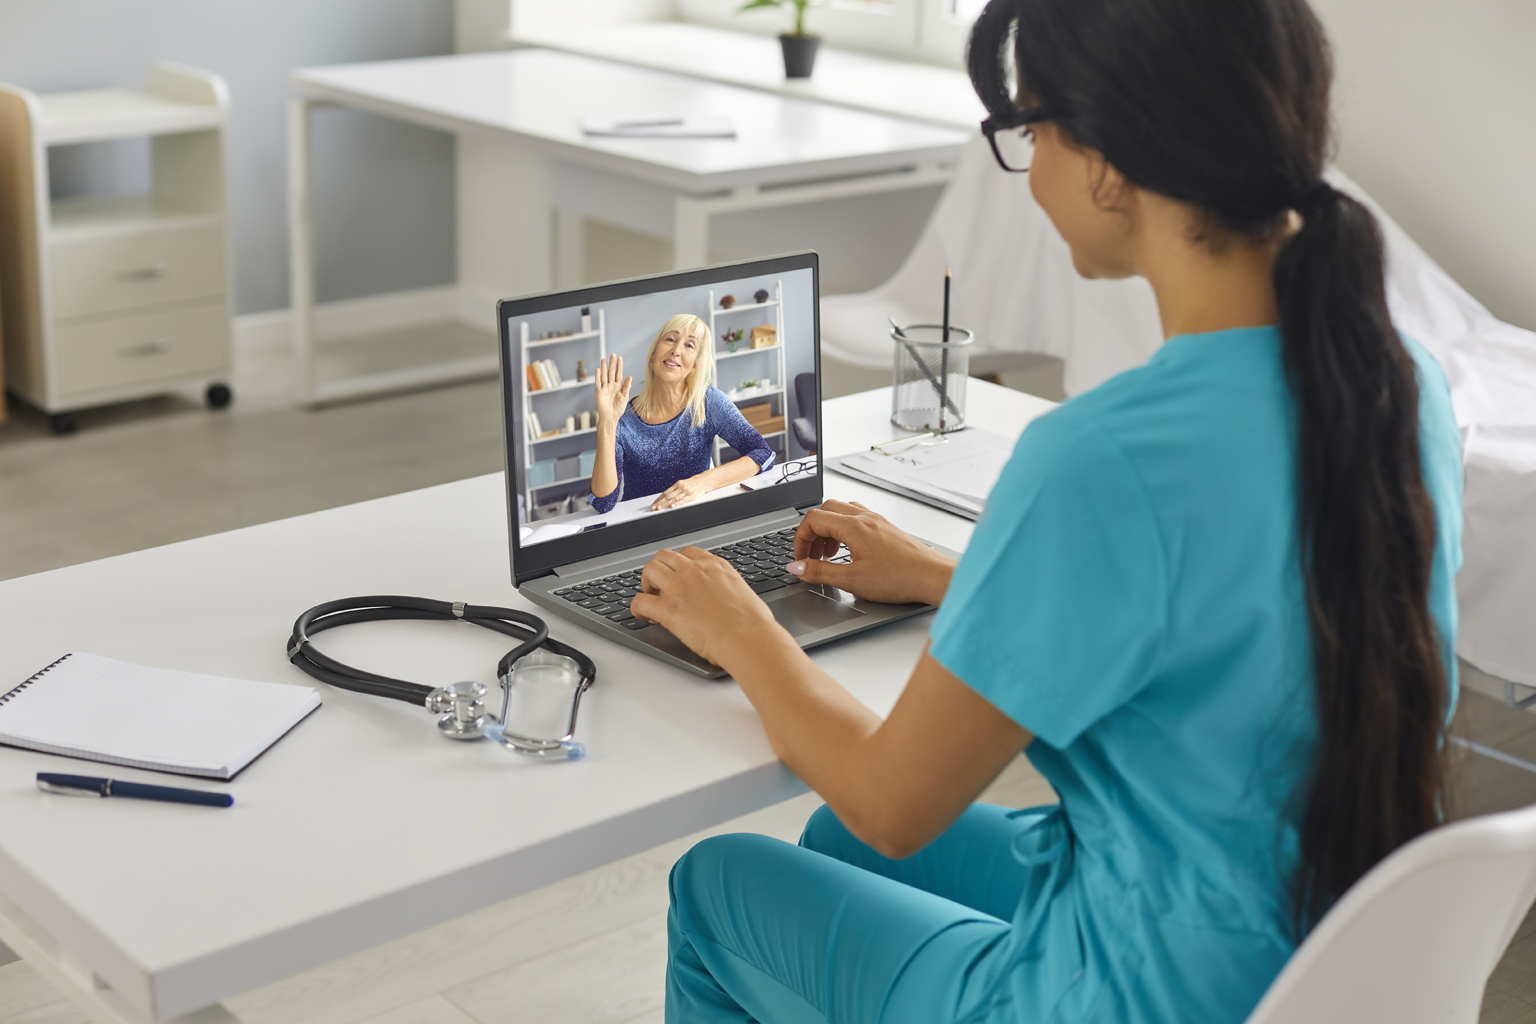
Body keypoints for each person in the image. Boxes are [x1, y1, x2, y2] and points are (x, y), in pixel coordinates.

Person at [629, 0, 1464, 1021]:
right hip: (1305, 943)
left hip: (1133, 993)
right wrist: (952, 577)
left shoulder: (1102, 453)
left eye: (1028, 130)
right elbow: (1227, 611)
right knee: (832, 842)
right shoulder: (1397, 385)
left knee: (721, 880)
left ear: (1110, 159)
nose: (1028, 173)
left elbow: (896, 803)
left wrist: (742, 628)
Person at [590, 314, 776, 514]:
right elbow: (604, 503)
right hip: (643, 528)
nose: (676, 350)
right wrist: (607, 424)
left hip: (698, 519)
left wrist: (704, 481)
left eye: (689, 345)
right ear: (653, 353)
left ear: (695, 364)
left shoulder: (708, 402)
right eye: (670, 339)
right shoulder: (623, 418)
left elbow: (763, 454)